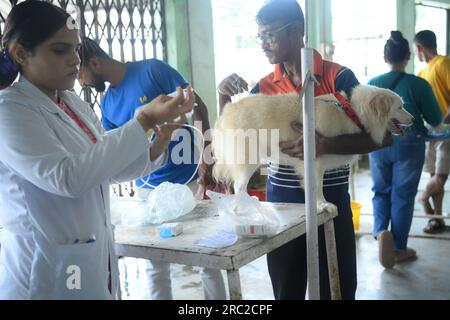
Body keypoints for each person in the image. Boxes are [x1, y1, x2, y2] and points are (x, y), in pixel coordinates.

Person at [0, 0, 193, 299]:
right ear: (21, 53)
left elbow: (104, 167)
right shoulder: (9, 110)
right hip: (42, 271)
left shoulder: (71, 102)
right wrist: (144, 120)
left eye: (76, 49)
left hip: (87, 258)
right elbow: (67, 178)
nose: (75, 60)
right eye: (60, 50)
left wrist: (158, 141)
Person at [217, 0, 391, 300]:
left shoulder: (340, 79)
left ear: (297, 31)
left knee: (337, 289)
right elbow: (235, 134)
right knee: (287, 290)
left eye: (270, 35)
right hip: (281, 203)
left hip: (330, 199)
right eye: (260, 36)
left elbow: (384, 137)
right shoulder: (264, 87)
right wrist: (222, 98)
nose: (263, 44)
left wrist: (325, 145)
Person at [77, 38, 226, 300]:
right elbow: (117, 151)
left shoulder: (152, 70)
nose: (81, 83)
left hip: (188, 181)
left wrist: (207, 161)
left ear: (95, 63)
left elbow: (198, 107)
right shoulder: (109, 103)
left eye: (81, 73)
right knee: (155, 264)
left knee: (208, 257)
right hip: (147, 190)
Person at [368, 31, 442, 268]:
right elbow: (435, 118)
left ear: (384, 57)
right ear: (408, 56)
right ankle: (398, 247)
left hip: (378, 141)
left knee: (380, 190)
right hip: (410, 143)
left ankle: (381, 234)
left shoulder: (372, 85)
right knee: (402, 196)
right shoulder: (419, 84)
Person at [414, 30, 450, 234]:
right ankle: (437, 220)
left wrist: (443, 122)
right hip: (429, 133)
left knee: (439, 179)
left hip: (446, 132)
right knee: (434, 176)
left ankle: (422, 198)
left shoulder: (444, 63)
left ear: (419, 48)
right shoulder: (421, 74)